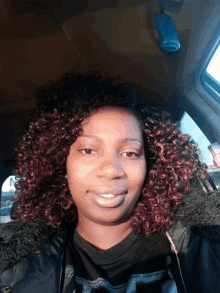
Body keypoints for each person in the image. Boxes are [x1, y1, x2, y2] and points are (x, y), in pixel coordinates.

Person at [0, 71, 220, 293]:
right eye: (88, 150)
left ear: (150, 166)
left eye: (130, 153)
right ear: (61, 164)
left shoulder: (206, 242)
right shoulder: (11, 262)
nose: (111, 170)